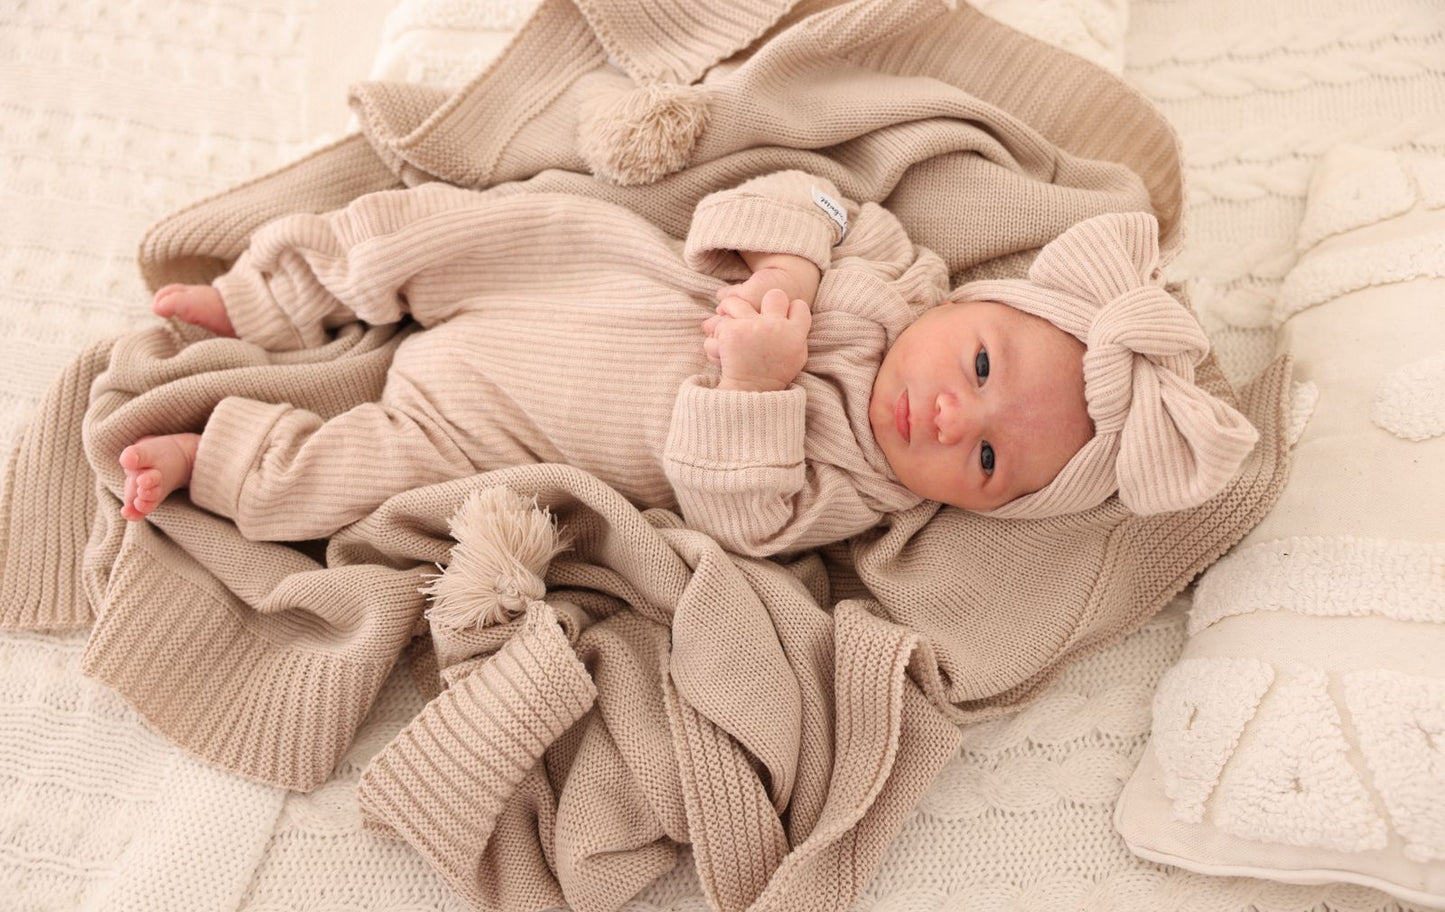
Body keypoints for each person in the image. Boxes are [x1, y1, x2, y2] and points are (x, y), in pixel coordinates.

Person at [118, 172, 1258, 556]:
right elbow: (815, 194)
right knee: (452, 222)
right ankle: (268, 296)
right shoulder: (896, 273)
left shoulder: (855, 489)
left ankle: (214, 457)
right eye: (975, 364)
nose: (949, 417)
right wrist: (795, 268)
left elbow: (739, 521)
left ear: (991, 506)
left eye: (992, 454)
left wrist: (756, 391)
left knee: (345, 481)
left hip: (501, 430)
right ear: (969, 302)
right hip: (576, 276)